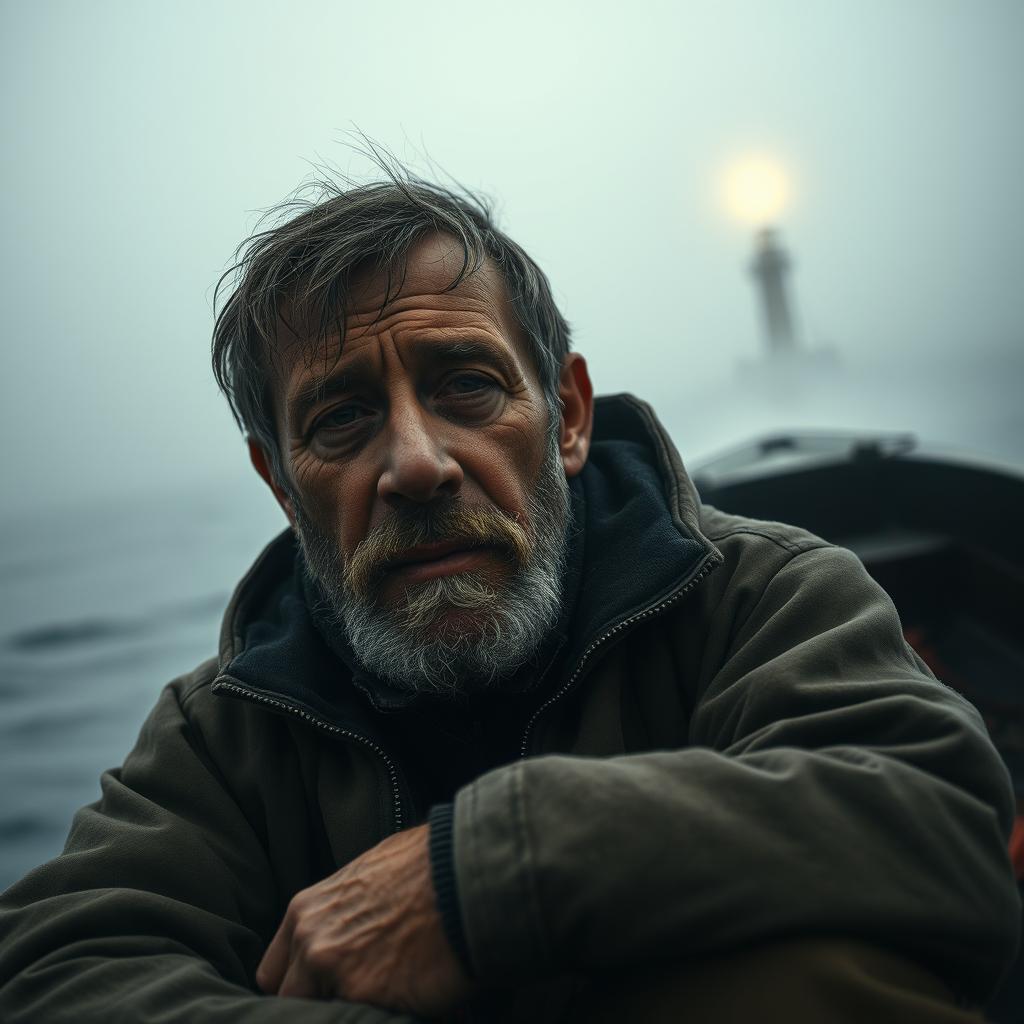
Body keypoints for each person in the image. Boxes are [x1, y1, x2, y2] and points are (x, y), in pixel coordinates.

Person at [0, 170, 1019, 1024]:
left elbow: (940, 819)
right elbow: (57, 968)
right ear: (280, 482)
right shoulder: (226, 728)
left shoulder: (758, 591)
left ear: (567, 415)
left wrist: (482, 876)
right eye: (343, 418)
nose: (416, 464)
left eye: (467, 386)